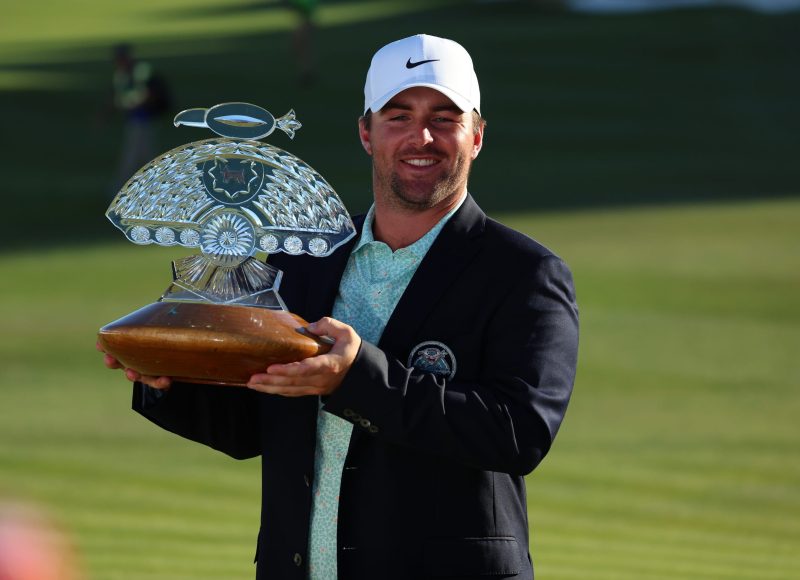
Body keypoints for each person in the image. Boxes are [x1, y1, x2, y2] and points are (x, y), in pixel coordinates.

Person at [100, 34, 579, 579]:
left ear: (477, 136)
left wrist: (356, 378)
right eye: (398, 116)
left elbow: (519, 433)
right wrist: (169, 377)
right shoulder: (304, 257)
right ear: (366, 133)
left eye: (445, 118)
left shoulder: (524, 273)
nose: (421, 136)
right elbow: (255, 425)